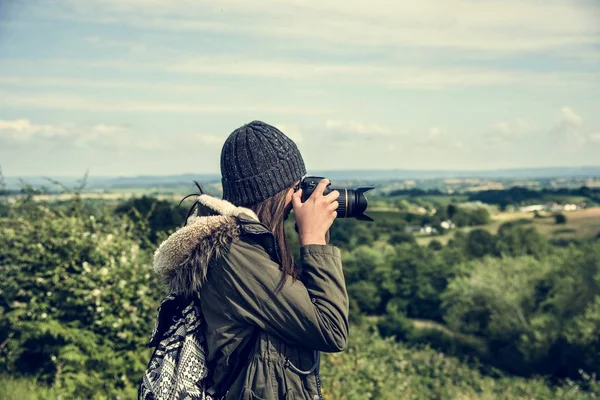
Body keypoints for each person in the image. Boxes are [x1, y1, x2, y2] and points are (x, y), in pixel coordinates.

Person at [152, 120, 349, 400]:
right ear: (273, 192)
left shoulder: (251, 250)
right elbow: (331, 329)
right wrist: (314, 239)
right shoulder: (234, 254)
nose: (300, 198)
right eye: (297, 188)